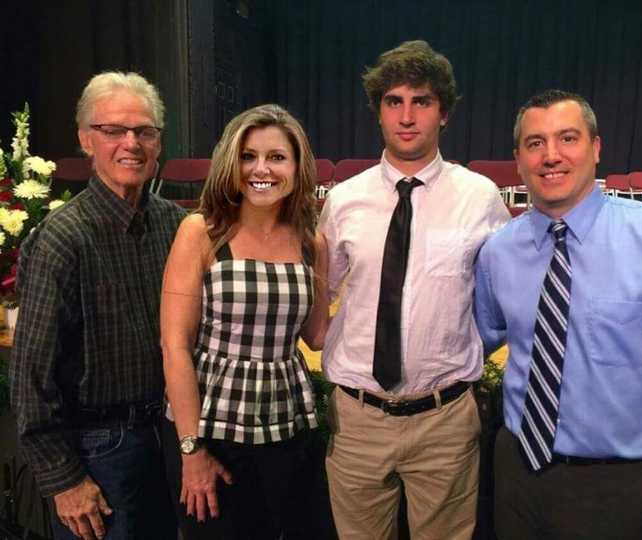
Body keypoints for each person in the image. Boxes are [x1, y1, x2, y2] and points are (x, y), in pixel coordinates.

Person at [474, 88, 642, 539]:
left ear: (596, 148)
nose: (551, 156)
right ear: (518, 159)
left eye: (567, 138)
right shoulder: (499, 252)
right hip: (516, 472)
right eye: (535, 143)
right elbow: (479, 337)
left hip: (619, 482)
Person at [319, 40, 509, 539]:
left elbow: (501, 297)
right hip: (357, 420)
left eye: (421, 101)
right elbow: (322, 294)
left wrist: (457, 353)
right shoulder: (343, 201)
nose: (407, 116)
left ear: (443, 113)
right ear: (378, 111)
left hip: (444, 421)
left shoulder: (480, 198)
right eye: (393, 101)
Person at [9, 71, 184, 540]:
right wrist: (64, 480)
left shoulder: (177, 226)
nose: (132, 143)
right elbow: (30, 377)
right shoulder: (62, 240)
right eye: (114, 131)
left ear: (159, 142)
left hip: (166, 437)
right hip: (99, 449)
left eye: (144, 131)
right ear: (87, 140)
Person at [160, 103, 328, 540]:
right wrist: (191, 450)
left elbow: (316, 336)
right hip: (212, 428)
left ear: (297, 166)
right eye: (249, 156)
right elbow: (175, 346)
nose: (262, 169)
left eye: (277, 157)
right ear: (230, 164)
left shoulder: (313, 242)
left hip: (287, 422)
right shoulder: (201, 231)